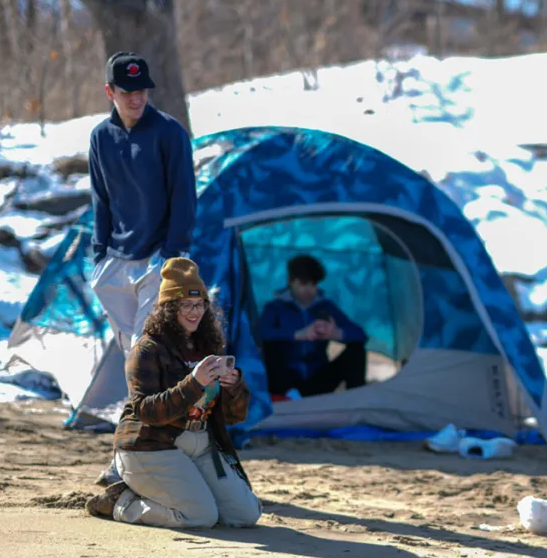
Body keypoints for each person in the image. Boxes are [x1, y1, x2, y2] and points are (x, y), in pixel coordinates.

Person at [85, 258, 261, 529]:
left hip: (200, 443)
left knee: (245, 515)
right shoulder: (147, 350)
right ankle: (120, 501)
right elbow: (146, 412)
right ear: (169, 308)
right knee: (200, 516)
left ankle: (177, 492)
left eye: (200, 304)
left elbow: (234, 417)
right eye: (186, 305)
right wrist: (194, 382)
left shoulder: (208, 345)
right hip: (150, 445)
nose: (195, 312)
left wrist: (233, 387)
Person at [88, 50, 196, 487]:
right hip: (115, 263)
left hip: (158, 261)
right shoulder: (100, 137)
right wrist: (100, 256)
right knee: (137, 363)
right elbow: (101, 199)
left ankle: (130, 461)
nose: (137, 98)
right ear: (110, 92)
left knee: (145, 361)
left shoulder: (169, 133)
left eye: (143, 90)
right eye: (128, 91)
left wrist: (171, 258)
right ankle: (146, 453)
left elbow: (185, 199)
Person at [258, 254, 368, 398]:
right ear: (291, 281)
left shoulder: (326, 307)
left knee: (356, 350)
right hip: (283, 381)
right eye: (304, 283)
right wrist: (297, 335)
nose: (309, 289)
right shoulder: (275, 307)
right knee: (269, 346)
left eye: (314, 284)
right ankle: (286, 396)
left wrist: (336, 333)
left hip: (317, 380)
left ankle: (356, 401)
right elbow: (260, 334)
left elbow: (361, 334)